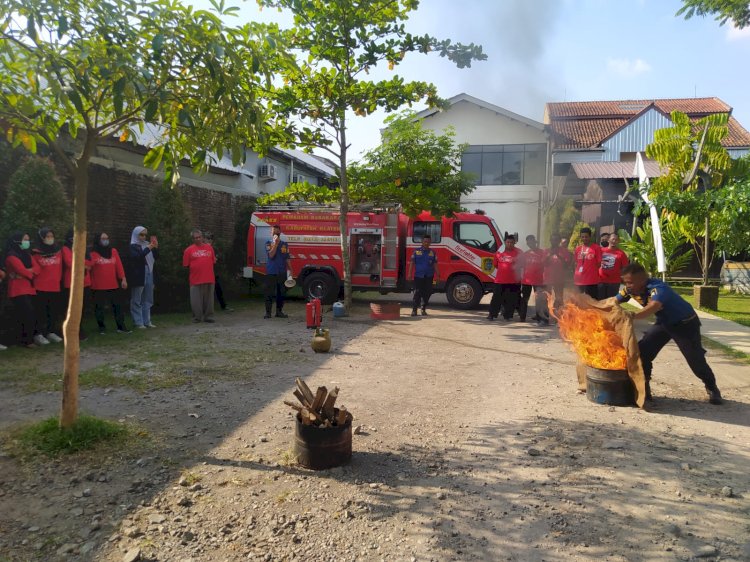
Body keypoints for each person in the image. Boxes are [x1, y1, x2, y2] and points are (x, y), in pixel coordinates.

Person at [616, 262, 723, 405]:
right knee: (642, 353)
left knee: (695, 360)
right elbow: (613, 301)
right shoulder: (629, 290)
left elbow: (654, 306)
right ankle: (644, 392)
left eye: (630, 282)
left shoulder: (658, 288)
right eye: (625, 282)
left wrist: (632, 316)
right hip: (664, 323)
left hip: (685, 324)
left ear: (642, 280)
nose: (627, 285)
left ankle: (712, 388)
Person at [3, 232, 40, 348]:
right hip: (17, 289)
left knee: (30, 313)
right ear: (17, 241)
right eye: (25, 239)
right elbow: (21, 270)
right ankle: (26, 341)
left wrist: (27, 272)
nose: (27, 242)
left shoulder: (28, 255)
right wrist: (29, 272)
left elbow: (38, 269)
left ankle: (27, 339)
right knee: (25, 314)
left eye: (28, 239)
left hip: (29, 288)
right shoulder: (11, 256)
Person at [90, 232, 130, 334]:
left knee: (118, 306)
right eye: (103, 238)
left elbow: (119, 266)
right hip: (98, 286)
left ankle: (121, 327)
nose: (105, 240)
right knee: (99, 308)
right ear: (98, 240)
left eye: (107, 238)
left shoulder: (113, 251)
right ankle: (101, 328)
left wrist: (123, 279)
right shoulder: (93, 253)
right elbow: (89, 266)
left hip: (113, 284)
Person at [31, 227, 64, 344]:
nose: (50, 239)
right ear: (41, 238)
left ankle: (51, 332)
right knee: (40, 312)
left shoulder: (58, 251)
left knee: (53, 311)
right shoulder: (35, 253)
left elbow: (61, 267)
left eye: (51, 236)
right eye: (47, 236)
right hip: (40, 286)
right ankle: (38, 334)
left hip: (55, 285)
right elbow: (36, 269)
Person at [62, 229, 93, 341]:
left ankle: (80, 328)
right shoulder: (66, 249)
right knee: (73, 308)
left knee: (83, 307)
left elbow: (90, 262)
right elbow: (70, 263)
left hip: (85, 282)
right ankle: (74, 331)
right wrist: (83, 264)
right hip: (72, 283)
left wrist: (82, 264)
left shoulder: (84, 248)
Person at [183, 228, 217, 323]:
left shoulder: (209, 248)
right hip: (196, 279)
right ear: (192, 239)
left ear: (202, 237)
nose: (197, 239)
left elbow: (213, 261)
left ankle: (208, 316)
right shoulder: (188, 250)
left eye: (199, 237)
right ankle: (197, 317)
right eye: (195, 238)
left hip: (209, 278)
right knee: (195, 301)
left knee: (209, 300)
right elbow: (186, 265)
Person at [488, 234, 523, 321]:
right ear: (505, 242)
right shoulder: (499, 252)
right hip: (500, 281)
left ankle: (508, 316)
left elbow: (522, 264)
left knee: (511, 299)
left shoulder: (519, 252)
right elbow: (495, 264)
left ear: (514, 243)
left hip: (513, 282)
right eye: (508, 242)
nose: (510, 244)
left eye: (511, 242)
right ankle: (492, 315)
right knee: (496, 298)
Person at [129, 226, 158, 329]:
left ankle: (147, 321)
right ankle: (138, 322)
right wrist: (149, 248)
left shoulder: (147, 245)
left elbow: (155, 258)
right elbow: (138, 257)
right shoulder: (133, 246)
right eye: (141, 234)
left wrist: (155, 248)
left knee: (148, 297)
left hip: (149, 271)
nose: (144, 237)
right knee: (137, 298)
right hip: (139, 273)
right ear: (136, 235)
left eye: (145, 235)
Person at [542, 233, 573, 325]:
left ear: (559, 241)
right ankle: (545, 318)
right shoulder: (546, 251)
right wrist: (550, 255)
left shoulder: (565, 251)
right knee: (546, 298)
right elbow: (543, 263)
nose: (554, 242)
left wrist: (558, 255)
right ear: (550, 241)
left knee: (559, 298)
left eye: (556, 240)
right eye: (553, 240)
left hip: (559, 279)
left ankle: (557, 317)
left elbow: (566, 265)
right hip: (548, 279)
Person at [407, 234, 439, 317]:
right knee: (417, 292)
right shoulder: (416, 251)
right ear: (422, 242)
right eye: (425, 241)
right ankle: (414, 310)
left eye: (428, 242)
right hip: (419, 275)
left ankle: (423, 308)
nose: (426, 243)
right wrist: (409, 274)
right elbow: (412, 263)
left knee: (428, 292)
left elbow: (435, 264)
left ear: (430, 242)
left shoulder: (433, 252)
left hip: (429, 275)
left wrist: (438, 274)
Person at [518, 234, 546, 323]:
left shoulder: (542, 252)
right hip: (526, 281)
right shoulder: (525, 254)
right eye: (528, 242)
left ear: (535, 242)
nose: (530, 243)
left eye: (532, 241)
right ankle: (522, 317)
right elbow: (521, 266)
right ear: (527, 244)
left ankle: (539, 316)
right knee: (524, 299)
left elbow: (546, 265)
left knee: (539, 300)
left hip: (539, 281)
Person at [263, 224, 290, 319]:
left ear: (280, 233)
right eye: (274, 232)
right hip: (271, 272)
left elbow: (287, 258)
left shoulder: (284, 244)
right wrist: (276, 244)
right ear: (271, 233)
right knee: (269, 293)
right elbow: (271, 255)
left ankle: (279, 311)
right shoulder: (268, 243)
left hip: (281, 272)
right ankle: (268, 313)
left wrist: (291, 270)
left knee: (281, 293)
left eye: (277, 232)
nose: (276, 234)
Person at [204, 231, 231, 312]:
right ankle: (205, 308)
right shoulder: (202, 248)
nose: (209, 240)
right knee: (205, 291)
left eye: (210, 238)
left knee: (218, 289)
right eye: (207, 238)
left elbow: (217, 259)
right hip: (205, 273)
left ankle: (223, 306)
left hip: (214, 272)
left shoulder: (214, 249)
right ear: (204, 239)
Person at [574, 227, 602, 299]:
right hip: (579, 280)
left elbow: (599, 264)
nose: (584, 238)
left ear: (590, 236)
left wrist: (590, 270)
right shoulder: (578, 249)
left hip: (591, 281)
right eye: (582, 237)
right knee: (579, 302)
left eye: (586, 236)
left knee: (591, 302)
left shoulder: (596, 248)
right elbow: (576, 263)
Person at [598, 233, 629, 299]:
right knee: (599, 302)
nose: (614, 241)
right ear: (608, 240)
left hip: (614, 283)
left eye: (616, 240)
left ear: (618, 241)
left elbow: (625, 268)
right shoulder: (601, 251)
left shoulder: (621, 254)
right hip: (601, 281)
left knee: (611, 303)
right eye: (613, 239)